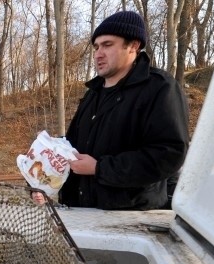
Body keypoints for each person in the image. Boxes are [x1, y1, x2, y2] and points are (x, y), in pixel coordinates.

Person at [58, 10, 189, 210]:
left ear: (133, 46)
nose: (98, 54)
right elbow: (72, 148)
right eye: (96, 47)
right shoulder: (93, 93)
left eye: (107, 45)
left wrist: (100, 168)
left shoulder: (159, 88)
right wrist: (47, 166)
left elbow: (169, 154)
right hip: (82, 213)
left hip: (133, 219)